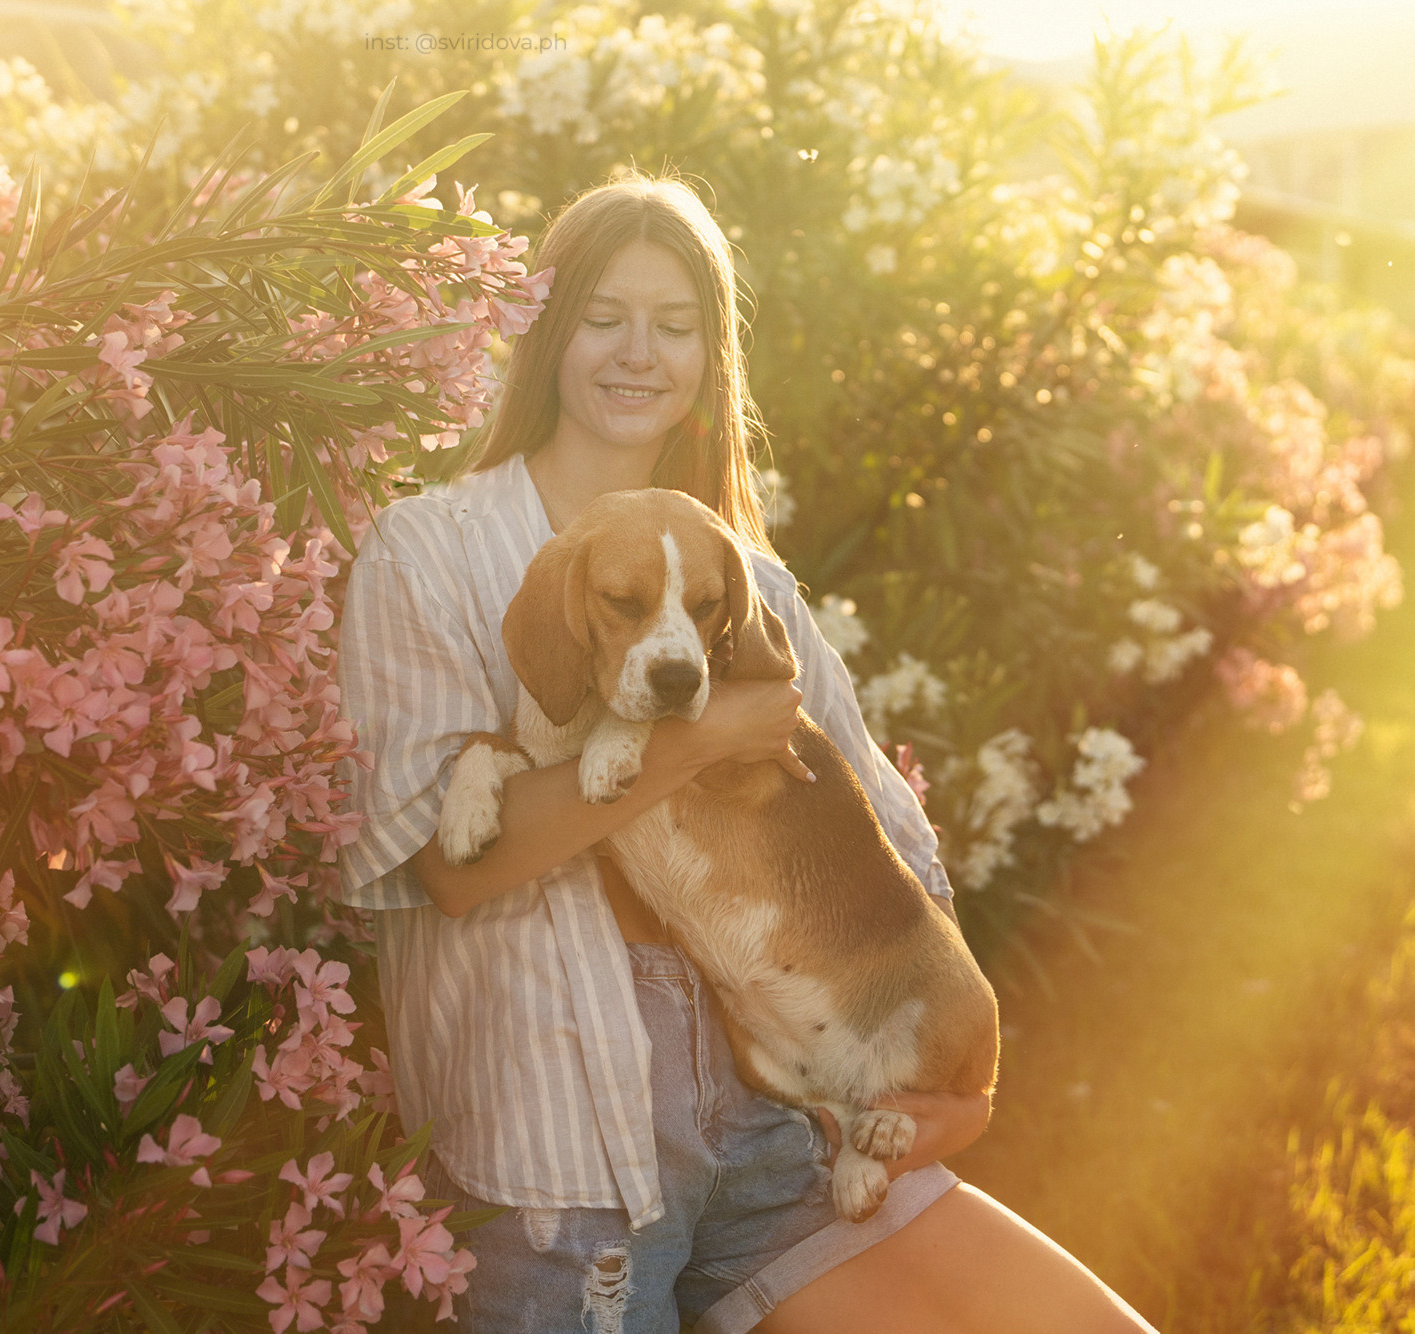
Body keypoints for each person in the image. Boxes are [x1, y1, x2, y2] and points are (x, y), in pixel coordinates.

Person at [332, 171, 1157, 1333]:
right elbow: (449, 868)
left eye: (674, 327)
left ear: (706, 363)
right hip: (567, 1153)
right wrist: (697, 737)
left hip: (781, 1121)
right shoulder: (425, 553)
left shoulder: (746, 580)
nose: (637, 353)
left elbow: (891, 838)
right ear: (541, 328)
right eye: (604, 316)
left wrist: (951, 1092)